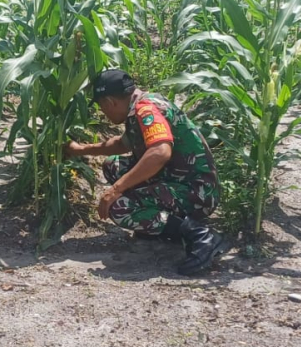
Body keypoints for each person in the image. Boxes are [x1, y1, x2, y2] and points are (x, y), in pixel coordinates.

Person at [64, 69, 228, 275]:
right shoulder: (142, 105)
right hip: (179, 179)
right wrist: (81, 149)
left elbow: (160, 152)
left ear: (109, 102)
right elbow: (122, 144)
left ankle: (200, 235)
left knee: (120, 207)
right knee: (113, 166)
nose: (103, 112)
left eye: (101, 107)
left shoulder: (146, 111)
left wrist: (116, 189)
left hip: (197, 193)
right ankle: (160, 225)